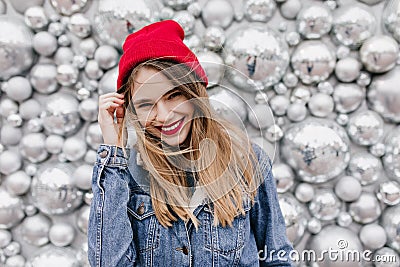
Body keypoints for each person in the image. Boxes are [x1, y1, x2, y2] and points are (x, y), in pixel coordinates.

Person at [88, 20, 294, 267]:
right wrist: (113, 149)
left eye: (173, 95)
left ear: (193, 92)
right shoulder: (125, 176)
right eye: (146, 104)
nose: (164, 116)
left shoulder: (249, 161)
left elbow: (277, 258)